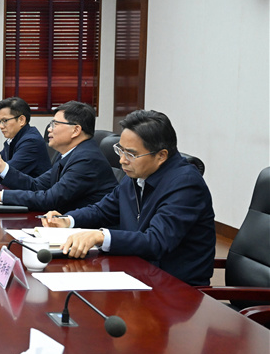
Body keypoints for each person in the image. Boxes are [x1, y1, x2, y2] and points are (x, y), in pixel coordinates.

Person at [41, 110, 215, 286]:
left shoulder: (185, 184)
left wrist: (101, 236)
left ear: (161, 156)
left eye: (131, 154)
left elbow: (156, 241)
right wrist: (68, 220)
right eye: (120, 150)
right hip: (137, 272)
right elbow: (103, 210)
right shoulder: (137, 174)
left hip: (174, 288)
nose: (122, 160)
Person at [0, 101, 117, 212]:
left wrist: (1, 196)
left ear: (76, 130)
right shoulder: (68, 154)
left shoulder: (87, 160)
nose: (49, 129)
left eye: (55, 124)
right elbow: (35, 185)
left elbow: (50, 199)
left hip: (88, 231)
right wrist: (1, 166)